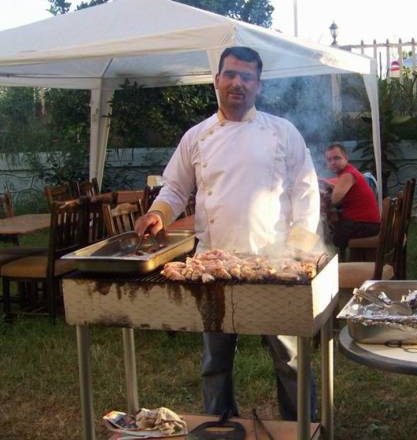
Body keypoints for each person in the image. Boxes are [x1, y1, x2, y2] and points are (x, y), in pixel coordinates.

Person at [134, 47, 320, 420]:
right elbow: (175, 188)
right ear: (217, 80)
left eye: (247, 77)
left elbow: (306, 189)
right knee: (215, 361)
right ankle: (219, 426)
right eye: (231, 75)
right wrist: (158, 213)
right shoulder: (197, 136)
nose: (238, 83)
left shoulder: (282, 131)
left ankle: (302, 425)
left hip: (271, 263)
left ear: (258, 85)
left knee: (289, 357)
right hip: (212, 263)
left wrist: (300, 243)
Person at [324, 143, 381, 249]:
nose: (333, 162)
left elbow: (334, 200)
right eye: (329, 160)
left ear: (346, 158)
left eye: (337, 158)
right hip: (368, 224)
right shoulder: (349, 172)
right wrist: (327, 184)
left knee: (326, 232)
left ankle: (319, 255)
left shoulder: (348, 175)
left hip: (366, 226)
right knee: (331, 225)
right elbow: (337, 186)